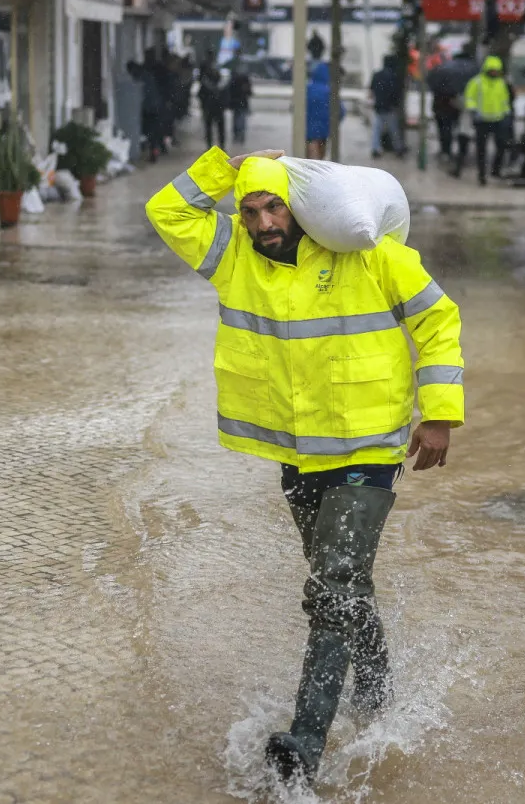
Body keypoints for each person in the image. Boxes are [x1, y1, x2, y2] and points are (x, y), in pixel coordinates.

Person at [145, 147, 463, 790]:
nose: (264, 223)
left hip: (369, 448)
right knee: (340, 585)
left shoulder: (366, 255)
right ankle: (378, 695)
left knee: (332, 586)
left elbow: (438, 319)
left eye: (274, 207)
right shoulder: (233, 256)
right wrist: (225, 167)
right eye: (252, 210)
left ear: (299, 208)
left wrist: (440, 414)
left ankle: (302, 748)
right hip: (298, 453)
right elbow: (168, 210)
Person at [463, 55, 513, 185]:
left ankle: (495, 170)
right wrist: (474, 111)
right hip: (482, 121)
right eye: (492, 70)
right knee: (481, 149)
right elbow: (469, 98)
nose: (494, 73)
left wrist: (506, 115)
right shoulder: (477, 82)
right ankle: (482, 174)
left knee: (501, 145)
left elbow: (505, 100)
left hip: (498, 120)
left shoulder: (501, 83)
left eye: (497, 70)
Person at [426, 49, 475, 159]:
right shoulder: (473, 70)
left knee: (445, 129)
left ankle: (446, 151)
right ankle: (462, 152)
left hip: (441, 105)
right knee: (462, 129)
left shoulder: (443, 69)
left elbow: (431, 83)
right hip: (459, 105)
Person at [369, 54, 406, 158]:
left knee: (376, 130)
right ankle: (398, 149)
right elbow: (398, 93)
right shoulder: (395, 76)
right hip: (390, 107)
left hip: (379, 107)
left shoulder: (377, 75)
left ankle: (375, 148)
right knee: (394, 129)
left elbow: (371, 91)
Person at [305, 59, 334, 159]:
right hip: (323, 128)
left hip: (308, 127)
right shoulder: (329, 90)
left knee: (308, 156)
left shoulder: (307, 89)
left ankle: (307, 169)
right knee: (321, 157)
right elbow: (340, 111)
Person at [198, 61, 229, 149]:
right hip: (212, 108)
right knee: (212, 128)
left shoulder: (216, 84)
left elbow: (201, 95)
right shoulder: (208, 83)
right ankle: (212, 145)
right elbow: (201, 95)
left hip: (215, 108)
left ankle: (218, 145)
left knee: (217, 129)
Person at [227, 62, 253, 145]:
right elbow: (249, 92)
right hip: (241, 102)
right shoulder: (244, 79)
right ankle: (239, 135)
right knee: (240, 119)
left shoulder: (234, 79)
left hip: (237, 103)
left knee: (237, 119)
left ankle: (238, 135)